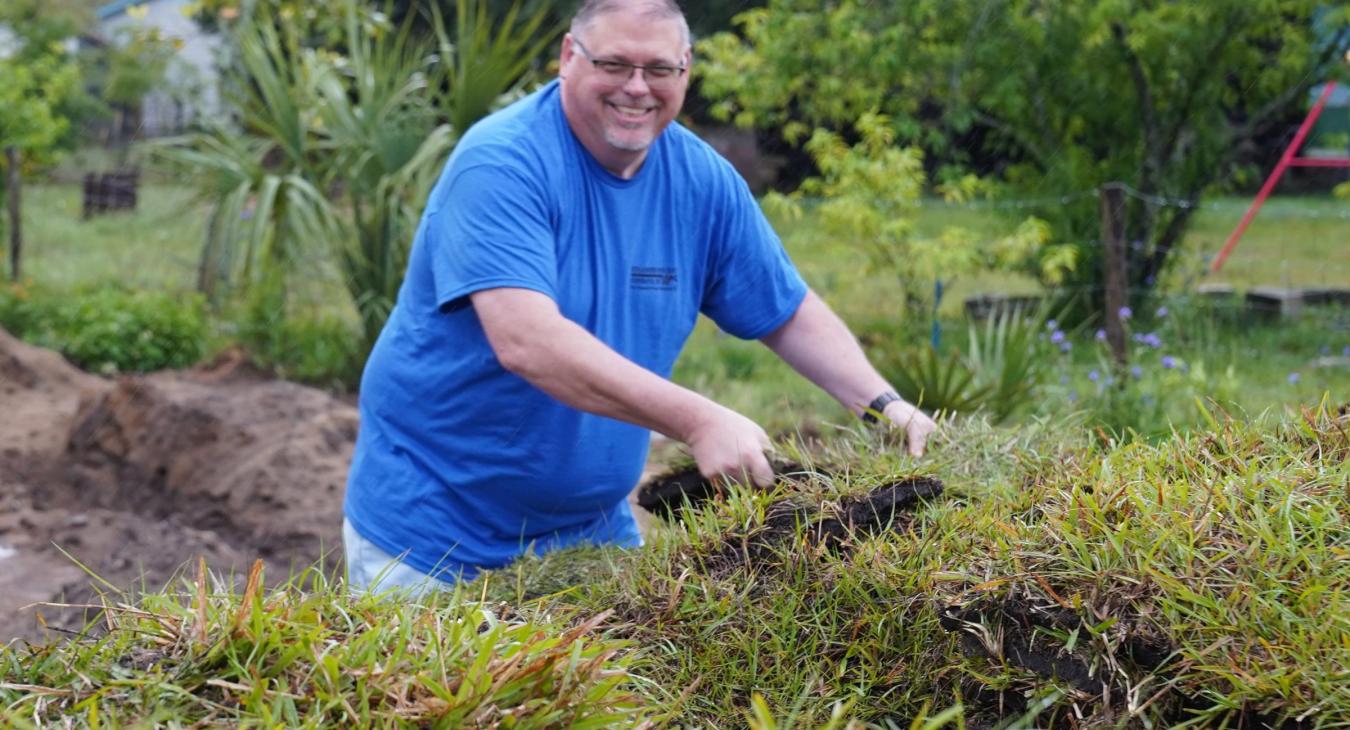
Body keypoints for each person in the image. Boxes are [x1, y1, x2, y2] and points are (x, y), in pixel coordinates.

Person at [342, 0, 937, 594]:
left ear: (686, 69)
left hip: (591, 534)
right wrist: (699, 420)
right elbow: (528, 342)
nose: (636, 88)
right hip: (436, 541)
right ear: (569, 57)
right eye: (615, 64)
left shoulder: (700, 181)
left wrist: (882, 404)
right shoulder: (502, 163)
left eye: (658, 69)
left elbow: (785, 310)